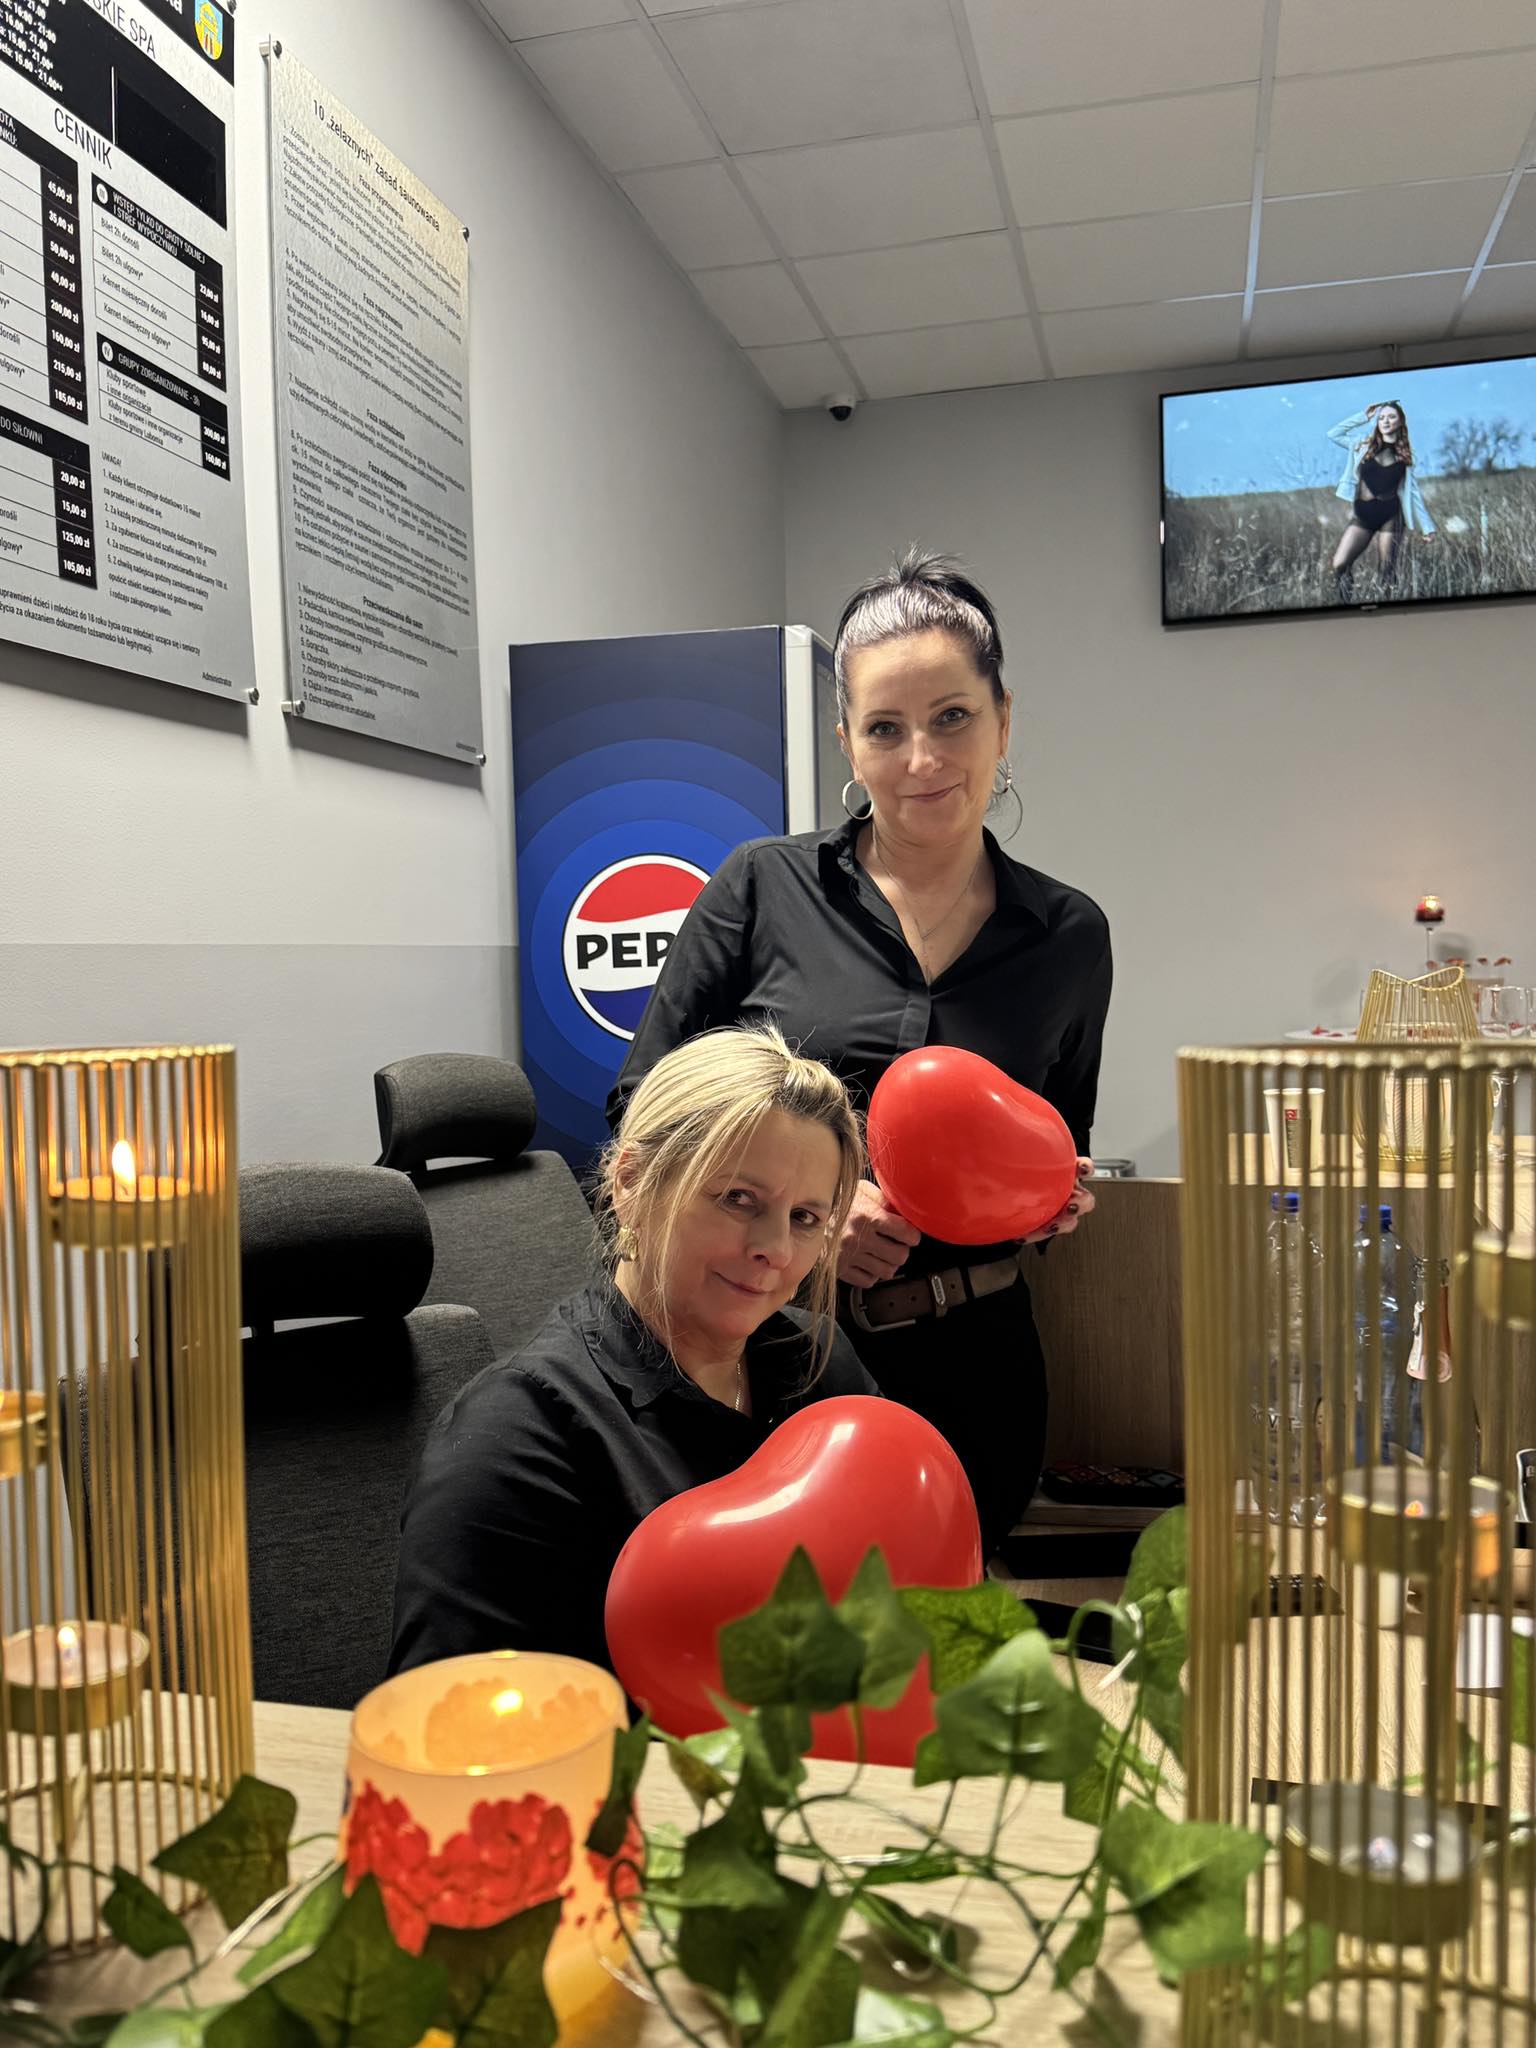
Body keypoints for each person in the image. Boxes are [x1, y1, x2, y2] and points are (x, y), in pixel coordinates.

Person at [610, 550, 1112, 1555]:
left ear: (1004, 719)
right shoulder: (761, 889)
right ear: (847, 739)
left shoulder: (1068, 935)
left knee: (953, 1626)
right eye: (886, 727)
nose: (922, 758)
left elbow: (1056, 1141)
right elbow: (641, 1115)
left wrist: (1048, 1200)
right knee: (779, 1632)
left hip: (982, 1365)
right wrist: (814, 1215)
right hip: (773, 1351)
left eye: (953, 716)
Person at [389, 1024, 874, 1676]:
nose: (776, 1250)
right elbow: (455, 1721)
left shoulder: (819, 1365)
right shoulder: (515, 1439)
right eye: (738, 1199)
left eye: (805, 1218)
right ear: (630, 1183)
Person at [1328, 400, 1436, 603]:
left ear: (1400, 421)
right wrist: (1363, 417)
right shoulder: (1362, 444)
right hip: (1364, 515)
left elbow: (1413, 493)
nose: (1385, 421)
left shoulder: (1405, 456)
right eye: (1382, 418)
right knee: (1340, 564)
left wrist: (1427, 527)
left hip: (1391, 515)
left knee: (1387, 570)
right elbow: (1334, 434)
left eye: (1391, 417)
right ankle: (1346, 606)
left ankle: (1389, 609)